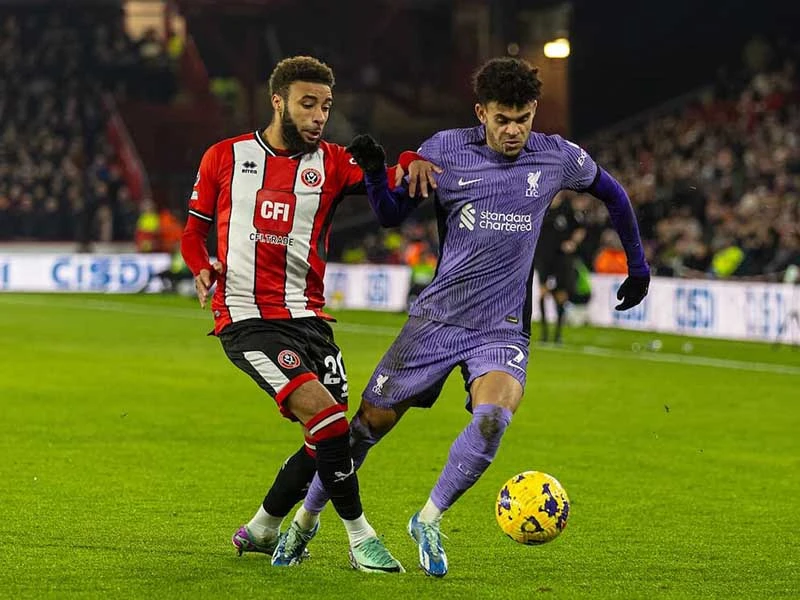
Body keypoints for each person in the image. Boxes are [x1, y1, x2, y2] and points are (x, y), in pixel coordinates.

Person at [270, 57, 651, 577]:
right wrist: (385, 172)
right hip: (435, 323)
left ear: (533, 112)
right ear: (481, 113)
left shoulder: (557, 157)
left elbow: (614, 193)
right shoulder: (444, 151)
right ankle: (305, 522)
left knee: (493, 418)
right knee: (362, 431)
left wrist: (638, 264)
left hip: (500, 330)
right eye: (502, 119)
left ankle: (428, 518)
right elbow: (388, 213)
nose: (514, 130)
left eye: (523, 118)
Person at [180, 55, 437, 574]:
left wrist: (411, 155)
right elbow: (192, 232)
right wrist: (200, 264)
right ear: (278, 101)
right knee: (327, 419)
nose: (319, 116)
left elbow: (393, 183)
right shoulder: (224, 157)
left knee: (327, 440)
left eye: (325, 105)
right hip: (247, 317)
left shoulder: (335, 163)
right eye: (307, 104)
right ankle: (360, 537)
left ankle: (261, 529)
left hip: (311, 320)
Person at [533, 192, 586, 343]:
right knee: (543, 293)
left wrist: (573, 243)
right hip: (543, 257)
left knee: (561, 296)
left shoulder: (567, 209)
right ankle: (544, 334)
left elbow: (580, 228)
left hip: (561, 259)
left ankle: (557, 334)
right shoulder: (542, 206)